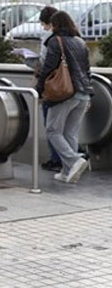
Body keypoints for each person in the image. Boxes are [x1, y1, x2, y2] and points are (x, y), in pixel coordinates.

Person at [35, 10, 92, 184]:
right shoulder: (80, 41)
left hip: (64, 92)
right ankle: (68, 172)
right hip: (82, 93)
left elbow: (49, 66)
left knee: (53, 130)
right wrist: (90, 94)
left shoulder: (54, 41)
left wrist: (39, 87)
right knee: (70, 133)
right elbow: (87, 70)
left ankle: (74, 160)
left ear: (55, 25)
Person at [33, 6, 63, 172]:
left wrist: (39, 85)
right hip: (70, 88)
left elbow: (46, 63)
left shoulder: (49, 38)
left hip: (53, 87)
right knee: (66, 128)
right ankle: (73, 156)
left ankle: (59, 159)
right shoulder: (75, 37)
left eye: (43, 24)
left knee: (51, 126)